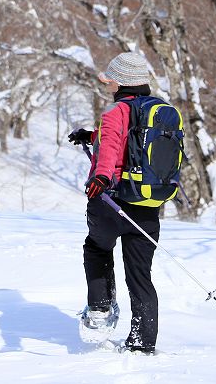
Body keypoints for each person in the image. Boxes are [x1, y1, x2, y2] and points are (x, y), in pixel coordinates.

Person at [69, 53, 160, 354]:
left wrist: (102, 179)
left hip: (110, 200)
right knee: (139, 273)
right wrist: (89, 136)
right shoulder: (159, 111)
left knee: (96, 248)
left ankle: (99, 309)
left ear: (120, 82)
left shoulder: (116, 111)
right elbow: (130, 142)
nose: (108, 85)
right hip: (147, 202)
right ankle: (143, 341)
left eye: (110, 81)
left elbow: (110, 147)